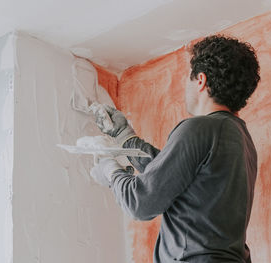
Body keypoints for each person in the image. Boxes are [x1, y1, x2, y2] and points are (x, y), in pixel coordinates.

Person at [90, 35, 260, 263]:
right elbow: (172, 177)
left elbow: (141, 202)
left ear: (200, 80)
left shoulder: (200, 128)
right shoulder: (240, 138)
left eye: (187, 78)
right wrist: (125, 137)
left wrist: (110, 171)